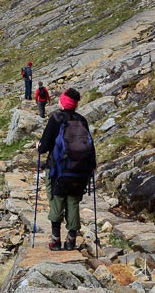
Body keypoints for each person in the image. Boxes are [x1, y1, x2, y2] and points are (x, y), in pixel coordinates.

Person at [37, 88, 96, 251]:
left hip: (58, 171)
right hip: (79, 172)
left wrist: (39, 146)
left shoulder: (56, 118)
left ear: (63, 102)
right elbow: (90, 146)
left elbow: (44, 147)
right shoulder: (82, 120)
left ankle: (55, 241)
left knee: (57, 203)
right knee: (73, 203)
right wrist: (91, 167)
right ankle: (71, 241)